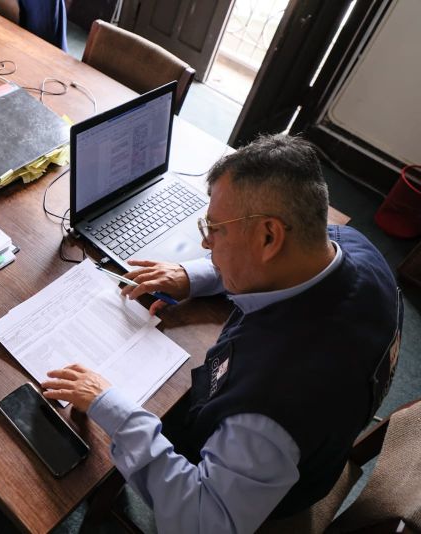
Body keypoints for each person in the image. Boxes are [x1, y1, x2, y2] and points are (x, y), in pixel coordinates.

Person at [42, 134, 402, 532]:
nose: (205, 242)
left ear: (268, 236)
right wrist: (192, 275)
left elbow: (203, 521)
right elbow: (288, 260)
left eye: (215, 229)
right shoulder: (354, 249)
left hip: (264, 499)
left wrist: (111, 408)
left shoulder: (271, 406)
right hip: (321, 440)